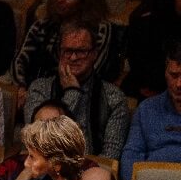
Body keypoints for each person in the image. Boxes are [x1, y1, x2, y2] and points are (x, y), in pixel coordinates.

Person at [24, 22, 130, 159]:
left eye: (81, 51)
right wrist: (72, 92)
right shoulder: (39, 89)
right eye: (68, 51)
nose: (73, 58)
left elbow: (111, 155)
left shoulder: (114, 97)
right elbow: (39, 140)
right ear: (59, 53)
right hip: (44, 168)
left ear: (94, 54)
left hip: (91, 174)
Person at [13, 0, 124, 87]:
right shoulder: (42, 26)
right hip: (39, 90)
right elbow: (20, 61)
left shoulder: (101, 30)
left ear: (84, 1)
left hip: (83, 92)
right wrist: (21, 87)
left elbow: (94, 70)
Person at [121, 40, 181, 180]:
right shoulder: (147, 109)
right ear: (165, 72)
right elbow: (130, 159)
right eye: (174, 75)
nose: (179, 84)